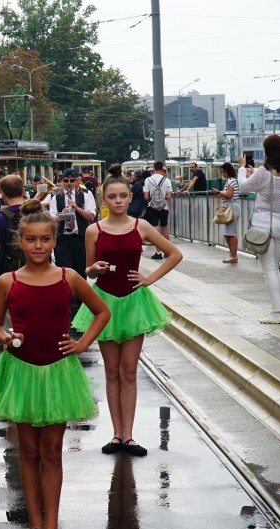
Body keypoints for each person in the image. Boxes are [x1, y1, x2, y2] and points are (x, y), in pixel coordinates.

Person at [0, 199, 110, 529]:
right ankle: (34, 526)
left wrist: (82, 343)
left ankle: (53, 526)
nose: (38, 246)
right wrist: (3, 336)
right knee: (29, 451)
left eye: (45, 239)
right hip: (20, 372)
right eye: (32, 240)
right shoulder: (8, 281)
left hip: (58, 371)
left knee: (52, 451)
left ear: (54, 241)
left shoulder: (69, 277)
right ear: (20, 242)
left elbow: (102, 311)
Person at [73, 176, 182, 456]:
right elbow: (87, 270)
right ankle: (116, 434)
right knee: (112, 371)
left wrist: (149, 279)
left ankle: (129, 435)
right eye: (113, 197)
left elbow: (174, 254)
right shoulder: (93, 230)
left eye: (123, 195)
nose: (119, 200)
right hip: (105, 303)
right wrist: (94, 269)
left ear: (130, 198)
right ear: (104, 199)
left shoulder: (141, 226)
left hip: (134, 303)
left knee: (129, 371)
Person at [237, 135, 280, 324]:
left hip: (264, 226)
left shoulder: (265, 171)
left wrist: (241, 167)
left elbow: (243, 187)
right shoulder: (271, 172)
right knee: (276, 269)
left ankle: (277, 313)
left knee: (269, 269)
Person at [49, 171, 97, 316]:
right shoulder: (55, 197)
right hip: (63, 239)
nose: (69, 184)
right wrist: (61, 214)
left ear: (77, 181)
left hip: (79, 237)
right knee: (64, 272)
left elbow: (91, 216)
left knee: (81, 271)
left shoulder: (86, 194)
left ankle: (81, 305)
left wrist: (76, 208)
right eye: (66, 180)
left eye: (71, 180)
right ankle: (69, 306)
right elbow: (51, 219)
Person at [0, 175, 27, 278]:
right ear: (23, 191)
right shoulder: (38, 211)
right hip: (38, 269)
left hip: (10, 271)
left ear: (2, 193)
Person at [142, 161, 173, 260]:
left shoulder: (148, 180)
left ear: (153, 168)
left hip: (152, 207)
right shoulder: (167, 180)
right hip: (164, 207)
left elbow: (146, 197)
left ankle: (158, 252)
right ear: (162, 168)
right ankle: (167, 252)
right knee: (165, 229)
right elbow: (169, 197)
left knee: (155, 231)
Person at [212, 162, 241, 264]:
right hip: (231, 208)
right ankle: (232, 254)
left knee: (231, 233)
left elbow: (229, 195)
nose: (222, 174)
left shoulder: (231, 181)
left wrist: (219, 192)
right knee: (227, 233)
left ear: (228, 172)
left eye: (224, 172)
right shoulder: (231, 181)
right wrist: (219, 193)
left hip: (231, 208)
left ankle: (234, 256)